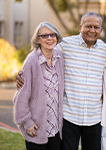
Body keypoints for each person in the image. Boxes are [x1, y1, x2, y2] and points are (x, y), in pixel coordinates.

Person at [15, 12, 106, 150]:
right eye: (88, 26)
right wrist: (23, 73)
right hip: (69, 117)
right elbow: (44, 52)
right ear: (80, 27)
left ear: (101, 30)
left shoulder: (105, 50)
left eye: (96, 27)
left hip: (94, 118)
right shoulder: (65, 45)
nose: (92, 30)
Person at [13, 21, 64, 150]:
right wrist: (27, 122)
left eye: (52, 35)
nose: (49, 38)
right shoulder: (32, 61)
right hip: (37, 127)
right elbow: (21, 97)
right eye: (45, 36)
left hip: (56, 128)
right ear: (38, 40)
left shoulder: (59, 57)